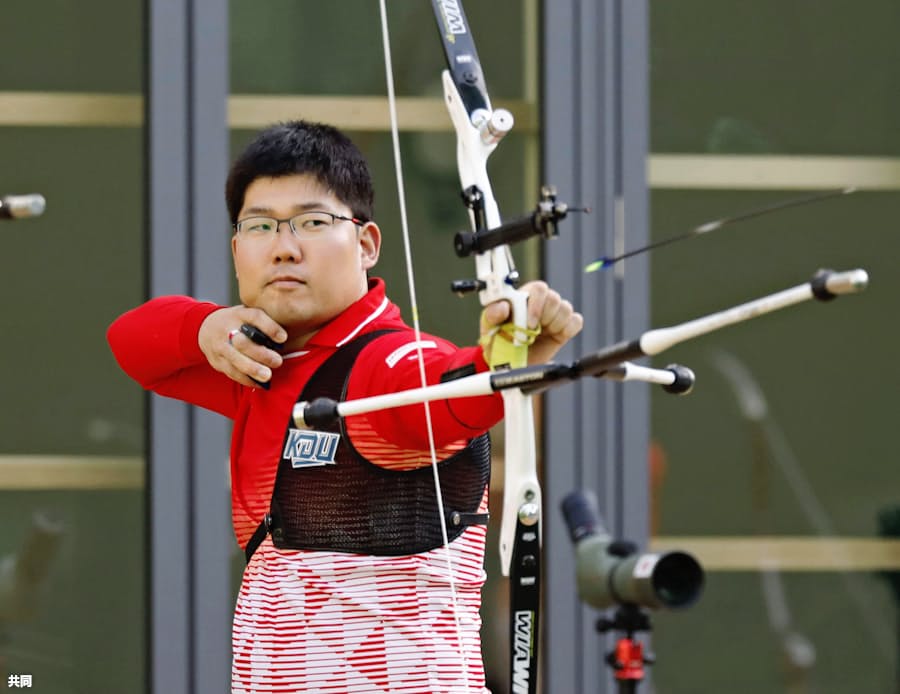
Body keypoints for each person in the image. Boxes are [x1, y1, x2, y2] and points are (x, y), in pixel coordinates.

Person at [107, 120, 583, 693]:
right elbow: (131, 343)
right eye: (260, 226)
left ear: (366, 243)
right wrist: (205, 325)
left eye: (312, 222)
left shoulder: (391, 365)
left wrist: (504, 360)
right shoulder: (259, 364)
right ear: (237, 251)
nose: (283, 247)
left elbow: (445, 393)